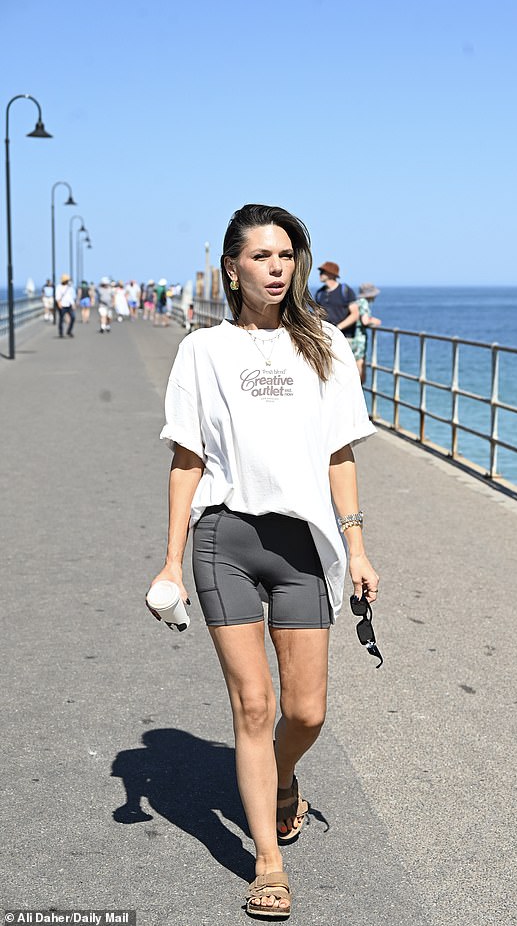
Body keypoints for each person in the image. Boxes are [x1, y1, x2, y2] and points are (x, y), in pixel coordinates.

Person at [149, 204, 379, 919]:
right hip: (227, 540)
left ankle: (282, 778)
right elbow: (187, 460)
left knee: (305, 712)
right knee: (255, 705)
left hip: (304, 544)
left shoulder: (326, 349)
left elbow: (340, 454)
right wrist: (169, 560)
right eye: (262, 256)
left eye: (287, 256)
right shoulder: (203, 351)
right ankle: (268, 863)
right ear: (232, 267)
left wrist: (359, 545)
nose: (277, 268)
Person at [314, 261, 359, 340]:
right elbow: (317, 314)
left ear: (331, 274)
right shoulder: (320, 293)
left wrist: (338, 328)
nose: (320, 274)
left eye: (322, 272)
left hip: (345, 337)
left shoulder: (345, 290)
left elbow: (355, 314)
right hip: (326, 338)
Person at [351, 283, 382, 382]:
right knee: (359, 363)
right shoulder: (363, 302)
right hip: (359, 338)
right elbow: (365, 320)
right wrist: (374, 321)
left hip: (352, 336)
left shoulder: (357, 302)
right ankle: (357, 392)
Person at [55, 273, 76, 338]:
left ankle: (69, 331)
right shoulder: (59, 287)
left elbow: (70, 296)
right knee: (61, 319)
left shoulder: (69, 287)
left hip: (69, 305)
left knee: (73, 317)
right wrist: (59, 303)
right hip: (62, 305)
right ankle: (61, 333)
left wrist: (73, 304)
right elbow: (57, 296)